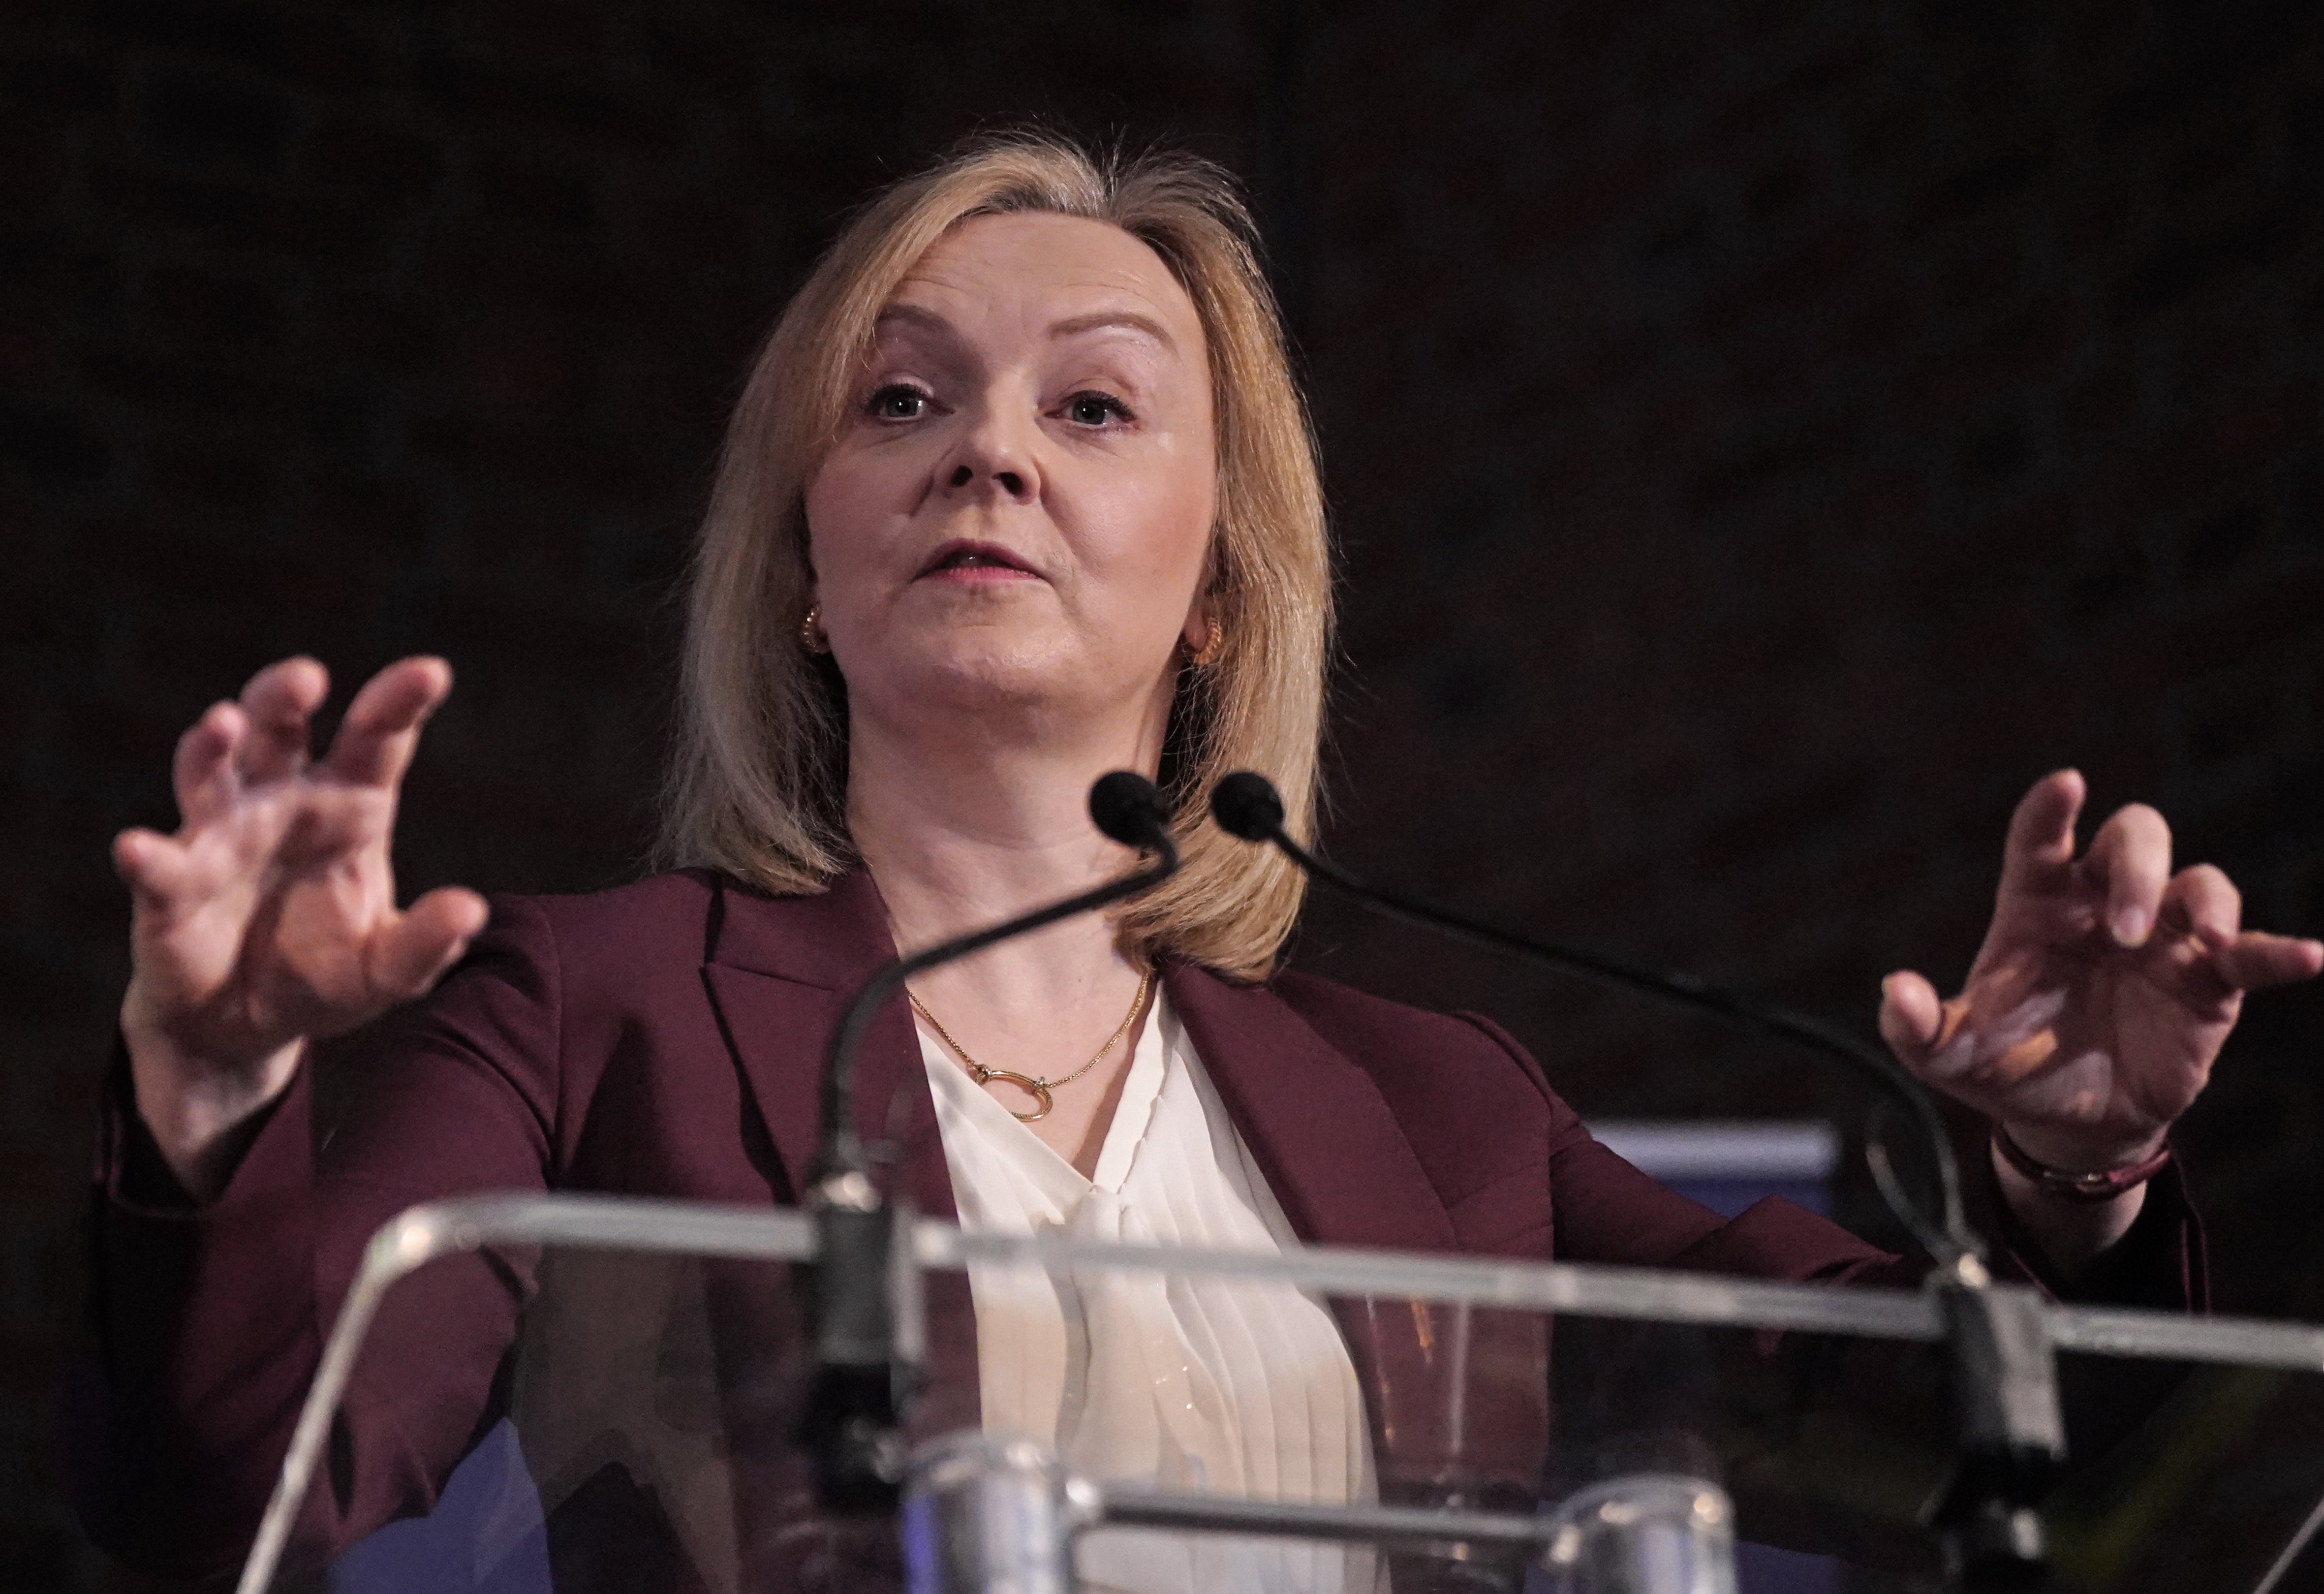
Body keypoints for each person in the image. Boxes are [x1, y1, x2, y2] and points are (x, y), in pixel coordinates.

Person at [82, 134, 2322, 1593]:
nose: (984, 450)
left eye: (1090, 405)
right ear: (799, 571)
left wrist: (2061, 1195)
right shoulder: (600, 1006)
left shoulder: (1446, 1108)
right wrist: (218, 1102)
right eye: (901, 401)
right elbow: (241, 1497)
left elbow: (1953, 1443)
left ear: (1222, 591)